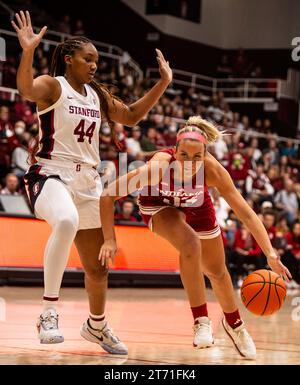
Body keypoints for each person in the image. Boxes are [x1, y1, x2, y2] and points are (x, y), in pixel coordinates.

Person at [12, 10, 172, 353]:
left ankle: (97, 326)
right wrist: (27, 51)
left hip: (87, 181)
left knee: (98, 268)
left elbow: (130, 116)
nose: (94, 65)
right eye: (88, 59)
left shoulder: (96, 95)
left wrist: (162, 83)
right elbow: (25, 89)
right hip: (50, 172)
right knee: (66, 221)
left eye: (97, 60)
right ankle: (48, 313)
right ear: (69, 60)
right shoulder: (54, 86)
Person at [99, 115, 291, 360]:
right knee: (190, 244)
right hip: (158, 205)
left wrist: (271, 254)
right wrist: (109, 239)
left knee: (218, 272)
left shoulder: (214, 171)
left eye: (197, 157)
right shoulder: (158, 167)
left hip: (196, 204)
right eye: (184, 156)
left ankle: (235, 326)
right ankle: (201, 321)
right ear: (174, 151)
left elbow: (247, 214)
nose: (190, 162)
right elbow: (107, 196)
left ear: (206, 155)